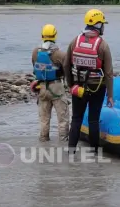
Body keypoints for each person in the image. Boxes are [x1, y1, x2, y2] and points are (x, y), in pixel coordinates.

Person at [63, 9, 114, 155]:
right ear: (98, 25)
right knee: (93, 120)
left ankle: (70, 151)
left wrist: (71, 84)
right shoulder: (103, 45)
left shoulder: (75, 41)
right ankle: (95, 153)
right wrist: (110, 95)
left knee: (76, 119)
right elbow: (109, 73)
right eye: (103, 24)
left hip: (78, 87)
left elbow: (66, 64)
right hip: (97, 88)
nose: (104, 27)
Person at [31, 24, 69, 142]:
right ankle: (63, 142)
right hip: (56, 87)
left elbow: (35, 67)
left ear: (42, 35)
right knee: (62, 118)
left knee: (44, 119)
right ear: (55, 36)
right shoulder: (60, 54)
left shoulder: (35, 52)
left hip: (42, 87)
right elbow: (66, 71)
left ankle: (43, 141)